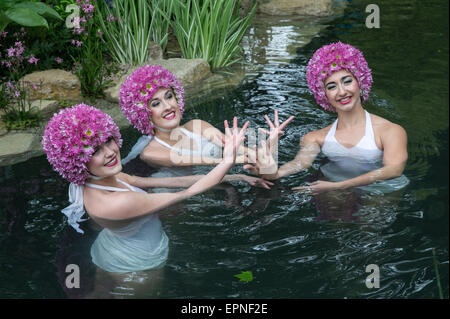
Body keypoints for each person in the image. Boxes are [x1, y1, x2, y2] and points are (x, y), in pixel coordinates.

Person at [42, 104, 258, 278]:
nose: (110, 152)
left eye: (108, 140)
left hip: (111, 246)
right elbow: (186, 193)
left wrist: (233, 176)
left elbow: (172, 182)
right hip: (137, 265)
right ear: (75, 160)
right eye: (96, 150)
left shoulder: (100, 178)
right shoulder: (116, 203)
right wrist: (228, 160)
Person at [245, 42, 409, 194]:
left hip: (379, 191)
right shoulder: (316, 137)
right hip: (332, 189)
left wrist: (340, 185)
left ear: (360, 82)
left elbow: (393, 170)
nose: (342, 92)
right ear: (323, 94)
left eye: (347, 81)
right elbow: (299, 164)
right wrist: (270, 171)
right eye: (332, 86)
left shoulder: (390, 131)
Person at [119, 64, 293, 170]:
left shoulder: (198, 125)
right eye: (156, 104)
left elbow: (241, 151)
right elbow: (208, 161)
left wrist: (268, 145)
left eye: (169, 96)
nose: (168, 106)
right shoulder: (151, 153)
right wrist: (252, 158)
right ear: (143, 115)